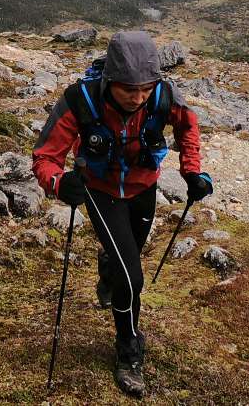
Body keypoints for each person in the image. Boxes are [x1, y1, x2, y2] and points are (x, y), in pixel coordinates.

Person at [32, 30, 213, 398]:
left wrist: (192, 171)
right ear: (110, 80)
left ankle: (107, 267)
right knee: (132, 279)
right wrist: (58, 183)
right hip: (101, 193)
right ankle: (129, 353)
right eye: (130, 89)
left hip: (144, 189)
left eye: (146, 88)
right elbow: (45, 157)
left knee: (122, 263)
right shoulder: (80, 100)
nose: (139, 97)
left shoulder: (163, 95)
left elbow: (187, 126)